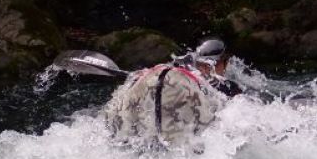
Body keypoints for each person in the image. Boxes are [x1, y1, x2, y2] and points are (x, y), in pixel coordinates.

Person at [103, 38, 242, 147]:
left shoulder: (226, 87)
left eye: (209, 66)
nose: (206, 70)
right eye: (202, 66)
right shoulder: (186, 78)